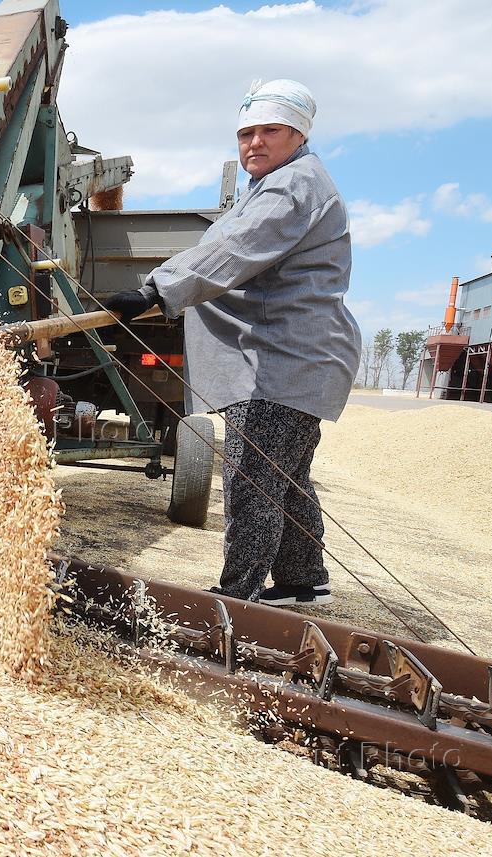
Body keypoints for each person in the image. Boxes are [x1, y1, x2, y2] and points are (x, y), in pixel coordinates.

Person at [106, 79, 361, 606]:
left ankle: (236, 598)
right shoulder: (278, 184)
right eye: (246, 133)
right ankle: (303, 582)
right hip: (293, 359)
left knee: (253, 480)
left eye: (270, 130)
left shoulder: (295, 186)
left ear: (299, 134)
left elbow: (237, 249)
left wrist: (156, 289)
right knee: (284, 477)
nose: (255, 142)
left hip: (281, 361)